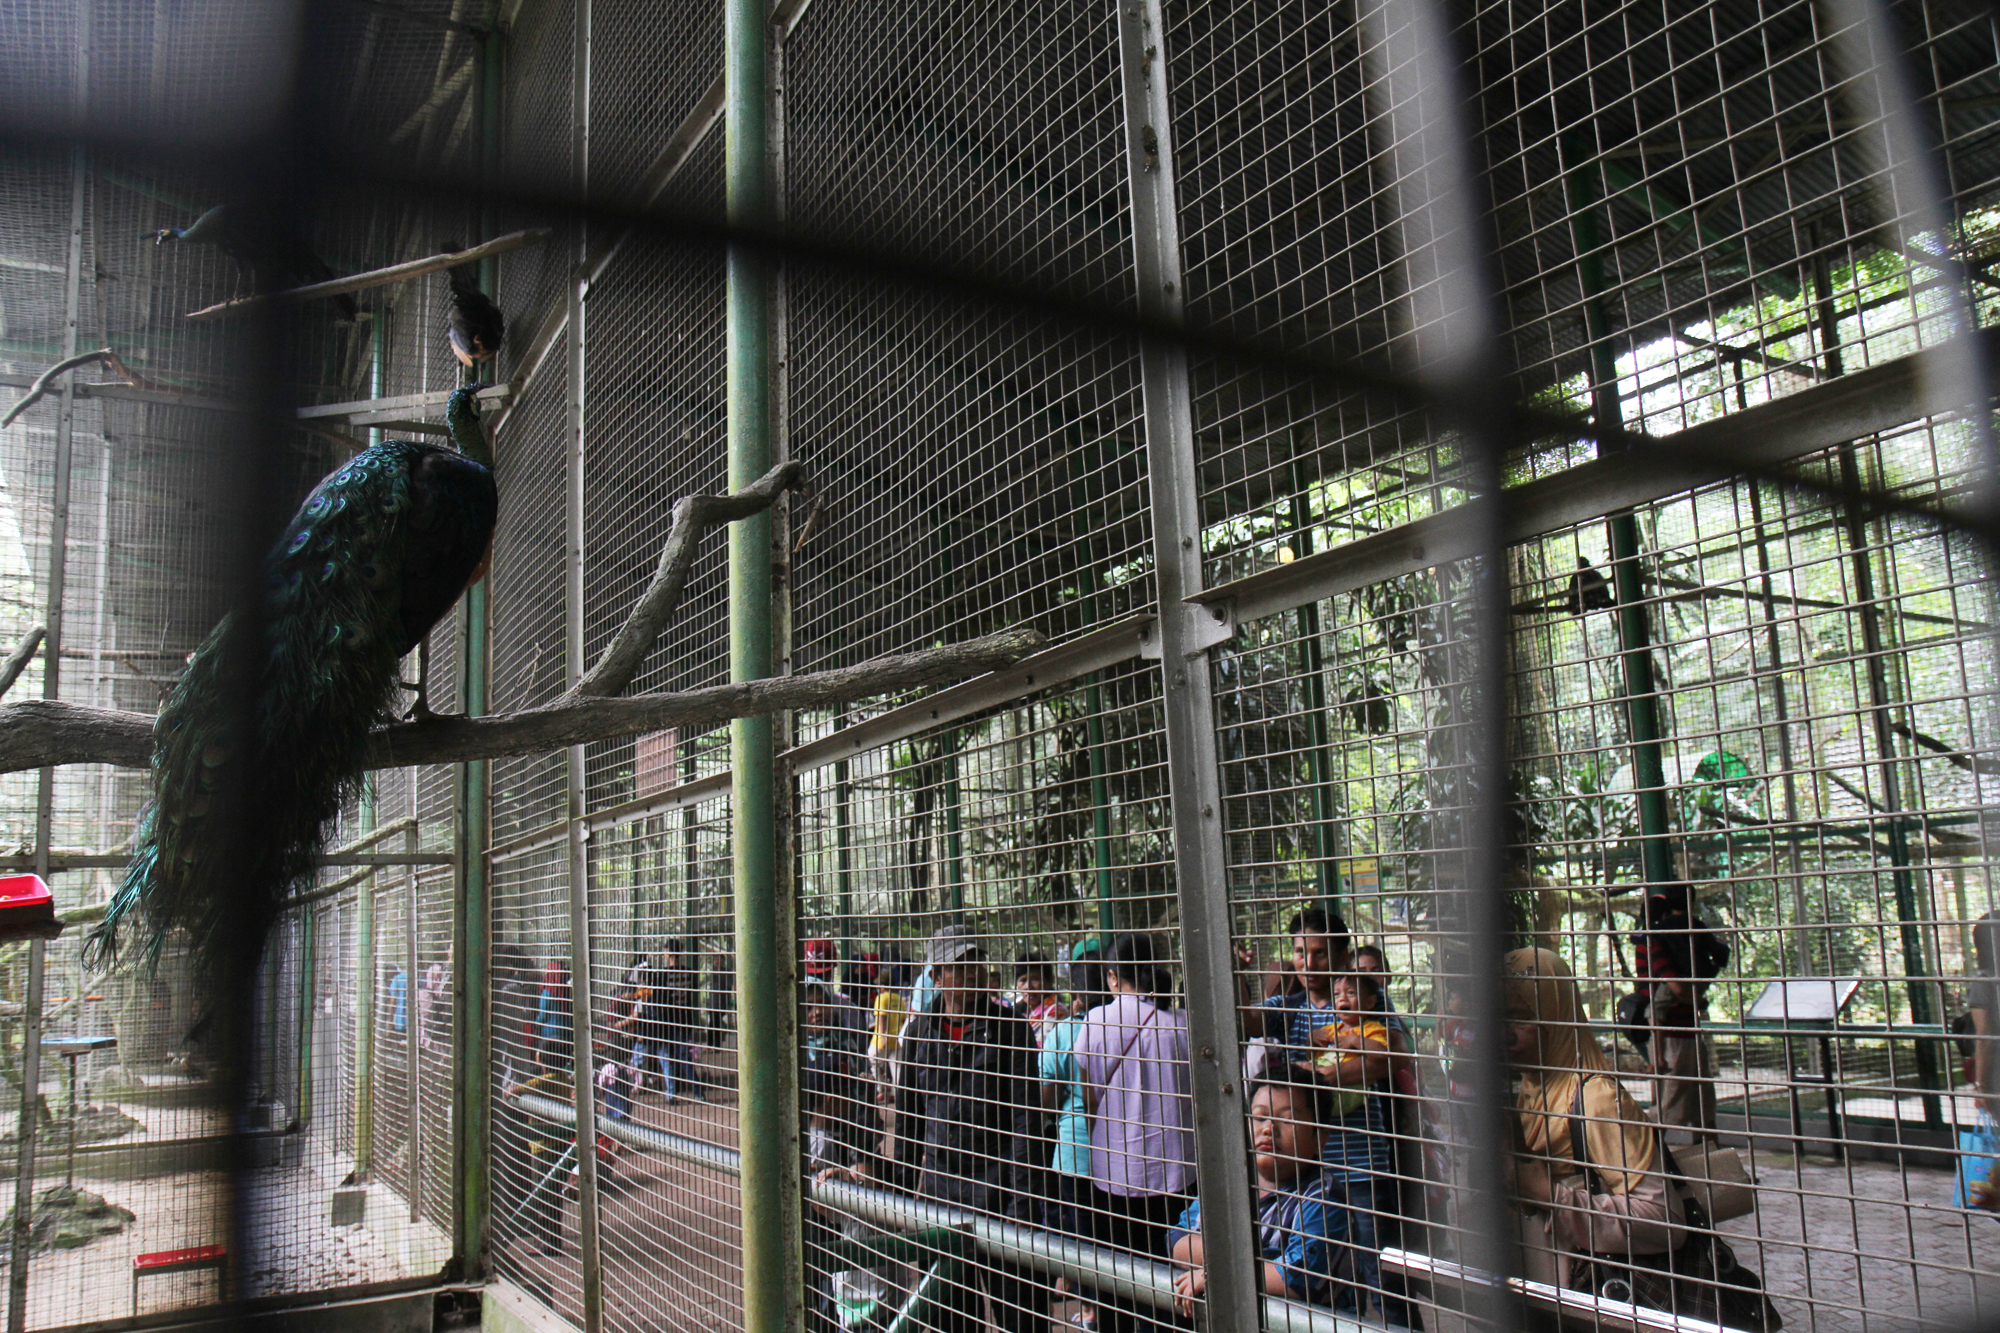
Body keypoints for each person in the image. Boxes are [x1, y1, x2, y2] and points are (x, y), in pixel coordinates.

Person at [885, 924, 1040, 1333]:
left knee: (1018, 1311)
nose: (972, 971)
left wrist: (1021, 1203)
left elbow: (1025, 1123)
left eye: (976, 961)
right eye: (959, 964)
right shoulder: (918, 1033)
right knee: (950, 1314)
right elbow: (909, 1122)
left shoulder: (1011, 1029)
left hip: (998, 1189)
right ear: (936, 975)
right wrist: (902, 1196)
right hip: (941, 1195)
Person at [1504, 947, 1677, 1292]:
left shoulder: (1595, 1099)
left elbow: (1664, 1221)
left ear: (1556, 1017)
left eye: (1517, 1017)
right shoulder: (1531, 1088)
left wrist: (1548, 1194)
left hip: (1599, 1291)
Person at [1257, 909, 1391, 1322]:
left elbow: (1389, 1056)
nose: (1308, 963)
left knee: (1383, 1279)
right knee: (1324, 1281)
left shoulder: (1366, 1002)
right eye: (1299, 952)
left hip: (1360, 1164)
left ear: (1342, 954)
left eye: (1318, 953)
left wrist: (1322, 1077)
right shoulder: (1286, 1008)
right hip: (1308, 1174)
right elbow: (1243, 1018)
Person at [1076, 933, 1194, 1333]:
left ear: (1112, 977)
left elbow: (1089, 1096)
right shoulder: (1180, 1025)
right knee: (1175, 1280)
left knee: (1118, 1280)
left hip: (1114, 1174)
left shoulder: (1094, 1022)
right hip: (1177, 1174)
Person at [1166, 1064, 1339, 1315]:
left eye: (1287, 1119)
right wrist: (1256, 1264)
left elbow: (1296, 1277)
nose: (1268, 1128)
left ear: (1319, 1139)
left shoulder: (1323, 1197)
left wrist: (1221, 1273)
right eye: (1259, 1117)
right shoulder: (1228, 1183)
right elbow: (1179, 1242)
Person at [1040, 947, 1105, 1330]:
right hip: (1125, 1154)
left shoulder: (1062, 1032)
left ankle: (1092, 1308)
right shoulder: (1125, 1024)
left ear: (1075, 993)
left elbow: (1045, 1100)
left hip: (1074, 1152)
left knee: (1081, 1235)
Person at [1630, 884, 1721, 1138]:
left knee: (1701, 1097)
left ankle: (1712, 1157)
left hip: (1686, 1028)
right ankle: (1654, 1155)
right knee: (1670, 1099)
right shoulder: (1656, 942)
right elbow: (1678, 988)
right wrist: (1696, 999)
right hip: (1673, 1031)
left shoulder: (1675, 938)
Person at [869, 977, 908, 1107]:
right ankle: (897, 1093)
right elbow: (903, 1018)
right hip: (896, 1037)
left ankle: (881, 1089)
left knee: (873, 1058)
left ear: (882, 985)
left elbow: (881, 1017)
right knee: (896, 1067)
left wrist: (882, 1036)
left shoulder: (881, 998)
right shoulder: (898, 998)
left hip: (881, 1038)